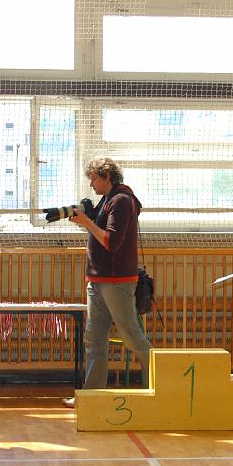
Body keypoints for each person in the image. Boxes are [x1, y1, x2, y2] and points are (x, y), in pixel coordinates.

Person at [62, 157, 153, 409]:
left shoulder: (122, 201)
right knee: (94, 340)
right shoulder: (107, 200)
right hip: (98, 280)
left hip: (117, 282)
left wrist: (87, 222)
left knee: (132, 337)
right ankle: (91, 396)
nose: (91, 184)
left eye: (94, 178)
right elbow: (99, 233)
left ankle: (159, 385)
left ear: (107, 176)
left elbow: (112, 242)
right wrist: (86, 219)